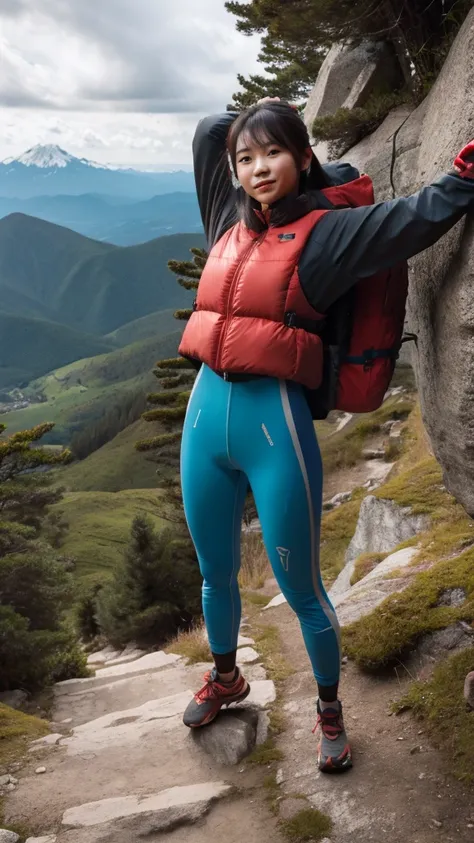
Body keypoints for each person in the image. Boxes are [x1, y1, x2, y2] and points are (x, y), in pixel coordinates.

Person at [178, 96, 474, 773]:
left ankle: (331, 713)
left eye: (273, 153)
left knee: (303, 587)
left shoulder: (326, 235)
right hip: (202, 422)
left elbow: (407, 222)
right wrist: (255, 119)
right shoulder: (224, 214)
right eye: (245, 159)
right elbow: (208, 133)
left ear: (303, 159)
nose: (256, 169)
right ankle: (227, 676)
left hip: (273, 429)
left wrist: (462, 181)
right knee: (215, 575)